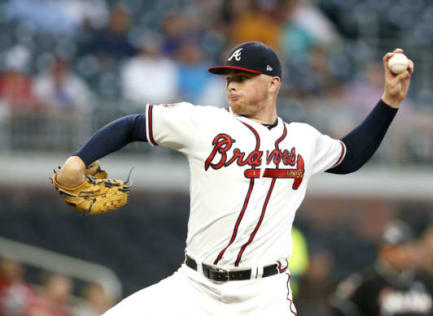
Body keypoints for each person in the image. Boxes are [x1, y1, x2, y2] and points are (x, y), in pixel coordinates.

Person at [53, 41, 413, 315]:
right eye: (229, 78)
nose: (232, 86)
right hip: (194, 285)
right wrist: (79, 159)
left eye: (242, 78)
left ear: (273, 84)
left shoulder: (303, 140)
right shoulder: (205, 124)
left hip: (264, 295)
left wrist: (389, 103)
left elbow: (351, 157)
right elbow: (133, 125)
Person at [330, 220, 433, 316]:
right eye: (392, 249)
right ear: (382, 251)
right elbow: (339, 303)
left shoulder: (424, 280)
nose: (400, 254)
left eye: (403, 248)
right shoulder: (368, 280)